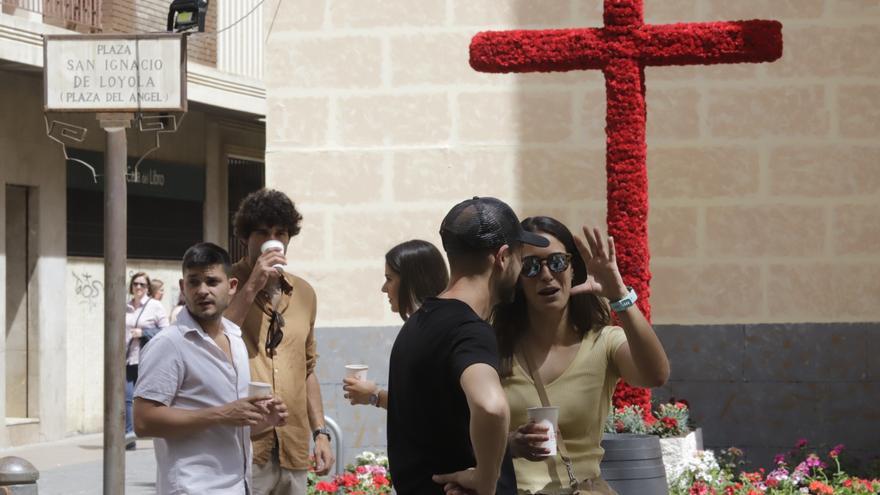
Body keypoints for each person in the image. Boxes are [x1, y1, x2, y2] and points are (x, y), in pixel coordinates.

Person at [492, 217, 670, 495]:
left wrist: (619, 295)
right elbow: (461, 434)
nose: (546, 275)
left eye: (557, 262)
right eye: (531, 266)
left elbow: (655, 375)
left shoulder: (603, 342)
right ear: (517, 278)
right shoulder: (495, 346)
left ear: (573, 268)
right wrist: (509, 444)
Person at [387, 197, 550, 495]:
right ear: (502, 257)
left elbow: (441, 431)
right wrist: (486, 482)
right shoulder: (469, 330)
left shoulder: (418, 324)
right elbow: (491, 406)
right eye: (521, 258)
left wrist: (507, 444)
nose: (520, 270)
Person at [134, 243, 288, 494]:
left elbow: (230, 425)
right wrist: (222, 414)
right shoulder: (169, 344)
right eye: (194, 282)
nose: (202, 290)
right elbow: (143, 421)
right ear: (183, 287)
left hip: (238, 487)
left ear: (232, 286)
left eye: (212, 281)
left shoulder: (235, 338)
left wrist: (263, 421)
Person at [224, 189, 333, 495]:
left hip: (293, 444)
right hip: (243, 446)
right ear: (245, 237)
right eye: (262, 232)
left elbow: (307, 369)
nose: (273, 240)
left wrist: (321, 433)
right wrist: (252, 285)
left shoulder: (305, 293)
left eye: (280, 233)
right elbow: (215, 339)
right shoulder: (226, 284)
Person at [343, 239, 449, 408]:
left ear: (412, 280)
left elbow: (423, 404)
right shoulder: (425, 324)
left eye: (389, 279)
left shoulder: (432, 330)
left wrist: (374, 396)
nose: (384, 288)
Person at [125, 271, 169, 450]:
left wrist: (143, 333)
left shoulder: (155, 306)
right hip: (128, 359)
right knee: (127, 398)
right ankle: (129, 437)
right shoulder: (126, 306)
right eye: (135, 283)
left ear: (148, 288)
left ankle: (158, 432)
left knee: (149, 398)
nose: (138, 287)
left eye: (142, 284)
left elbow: (167, 331)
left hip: (147, 359)